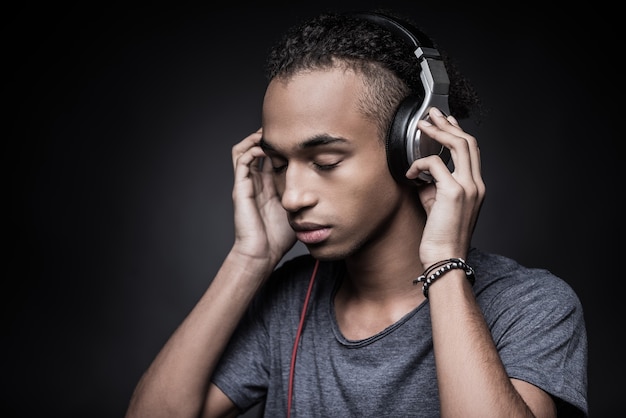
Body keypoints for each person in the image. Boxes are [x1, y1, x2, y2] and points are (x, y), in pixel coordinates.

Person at [125, 9, 588, 418]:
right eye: (281, 165)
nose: (291, 197)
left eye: (325, 163)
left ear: (416, 145)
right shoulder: (287, 302)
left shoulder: (531, 305)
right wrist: (250, 259)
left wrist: (445, 264)